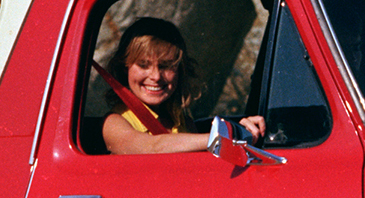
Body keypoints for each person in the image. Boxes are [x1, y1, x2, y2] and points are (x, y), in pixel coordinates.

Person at [98, 16, 266, 154]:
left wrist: (242, 130)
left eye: (166, 66)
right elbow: (151, 147)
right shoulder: (114, 122)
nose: (156, 76)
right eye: (143, 65)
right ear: (124, 68)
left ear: (180, 70)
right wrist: (224, 137)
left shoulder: (182, 121)